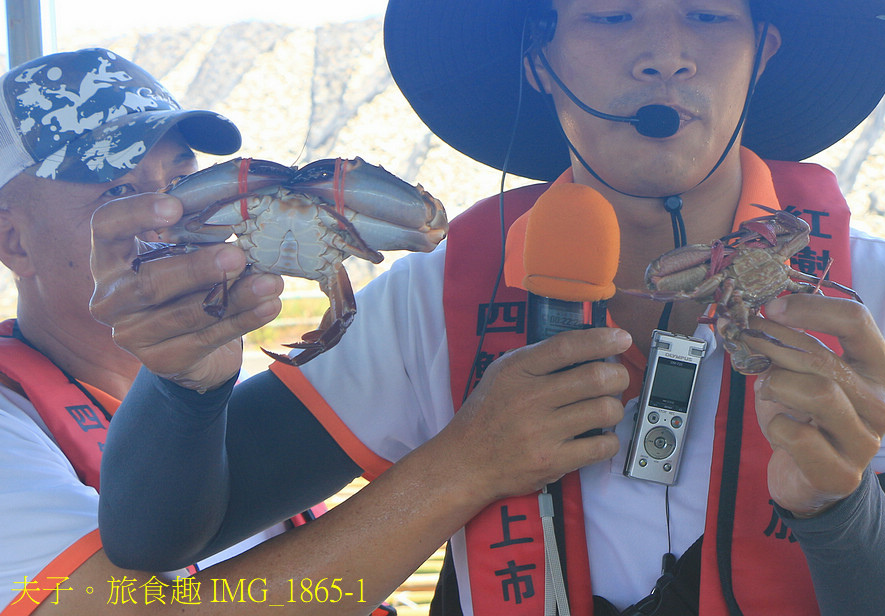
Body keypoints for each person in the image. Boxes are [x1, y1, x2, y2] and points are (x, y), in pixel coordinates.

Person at [89, 0, 885, 614]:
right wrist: (185, 383)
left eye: (707, 13)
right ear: (537, 60)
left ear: (764, 52)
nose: (665, 56)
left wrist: (840, 507)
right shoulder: (432, 300)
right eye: (613, 14)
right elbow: (154, 538)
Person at [0, 47, 624, 616]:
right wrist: (470, 464)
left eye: (183, 179)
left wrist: (196, 390)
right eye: (118, 189)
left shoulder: (240, 406)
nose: (171, 210)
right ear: (12, 241)